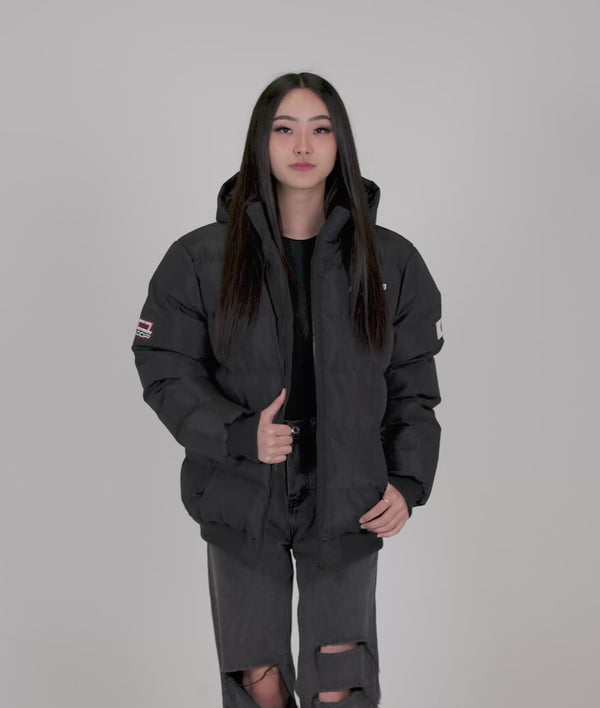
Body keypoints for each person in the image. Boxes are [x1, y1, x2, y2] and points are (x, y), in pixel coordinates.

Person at [131, 71, 444, 708]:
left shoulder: (392, 262)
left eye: (320, 129)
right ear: (261, 141)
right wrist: (238, 433)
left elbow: (413, 384)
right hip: (243, 491)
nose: (303, 145)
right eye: (285, 129)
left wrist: (408, 482)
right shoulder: (200, 259)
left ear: (339, 143)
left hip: (348, 495)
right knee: (260, 684)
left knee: (340, 681)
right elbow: (164, 365)